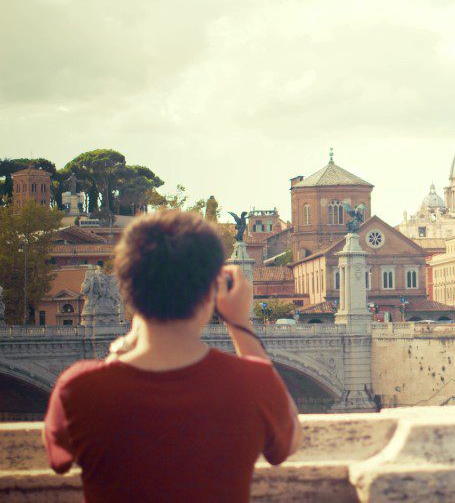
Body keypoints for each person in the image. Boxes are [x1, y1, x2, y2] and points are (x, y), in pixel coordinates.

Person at [43, 209, 302, 502]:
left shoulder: (77, 388)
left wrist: (121, 348)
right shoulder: (253, 382)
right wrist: (240, 324)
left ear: (125, 290)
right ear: (211, 292)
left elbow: (58, 459)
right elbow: (289, 442)